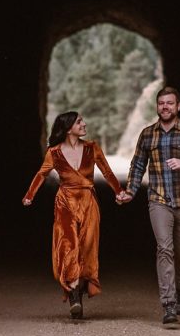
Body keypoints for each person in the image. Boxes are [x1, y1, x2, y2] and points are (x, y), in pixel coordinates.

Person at [117, 85, 180, 325]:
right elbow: (138, 165)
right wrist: (130, 191)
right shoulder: (148, 134)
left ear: (178, 106)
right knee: (164, 249)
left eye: (170, 103)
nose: (165, 107)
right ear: (157, 106)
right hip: (159, 199)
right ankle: (169, 304)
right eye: (162, 103)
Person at [23, 111, 123, 319]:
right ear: (69, 128)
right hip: (65, 202)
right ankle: (74, 295)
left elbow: (107, 172)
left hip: (88, 202)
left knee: (86, 247)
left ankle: (80, 286)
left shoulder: (92, 148)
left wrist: (119, 191)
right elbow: (41, 174)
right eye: (79, 122)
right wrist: (29, 195)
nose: (84, 124)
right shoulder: (54, 153)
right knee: (68, 245)